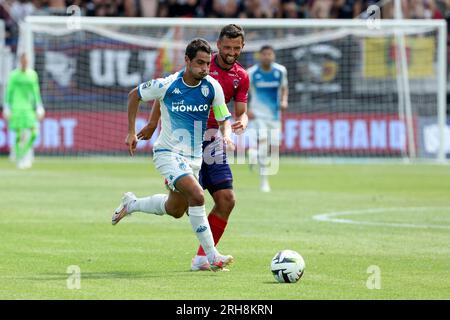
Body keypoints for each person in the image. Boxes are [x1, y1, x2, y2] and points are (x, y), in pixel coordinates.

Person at [128, 24, 249, 272]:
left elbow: (239, 113)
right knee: (177, 209)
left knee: (227, 200)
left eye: (236, 48)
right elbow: (168, 91)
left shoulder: (241, 76)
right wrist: (152, 123)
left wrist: (238, 126)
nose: (231, 52)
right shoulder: (201, 63)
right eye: (227, 47)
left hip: (213, 143)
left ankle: (203, 257)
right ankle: (133, 204)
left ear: (242, 48)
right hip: (183, 143)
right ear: (218, 45)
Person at [247, 45, 288, 192]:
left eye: (269, 54)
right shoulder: (251, 72)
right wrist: (246, 109)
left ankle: (254, 154)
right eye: (264, 54)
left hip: (274, 116)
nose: (267, 57)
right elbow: (243, 92)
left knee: (273, 147)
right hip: (257, 115)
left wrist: (284, 101)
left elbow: (284, 88)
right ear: (260, 56)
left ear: (273, 55)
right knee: (263, 143)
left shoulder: (280, 71)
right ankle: (264, 182)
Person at [2, 53, 45, 169]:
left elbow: (36, 92)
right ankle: (20, 158)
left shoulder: (32, 75)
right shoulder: (14, 75)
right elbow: (9, 92)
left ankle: (24, 154)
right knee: (19, 135)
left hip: (28, 108)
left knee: (34, 133)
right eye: (23, 61)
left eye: (26, 61)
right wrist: (6, 106)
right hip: (16, 108)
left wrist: (39, 106)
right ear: (20, 61)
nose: (25, 63)